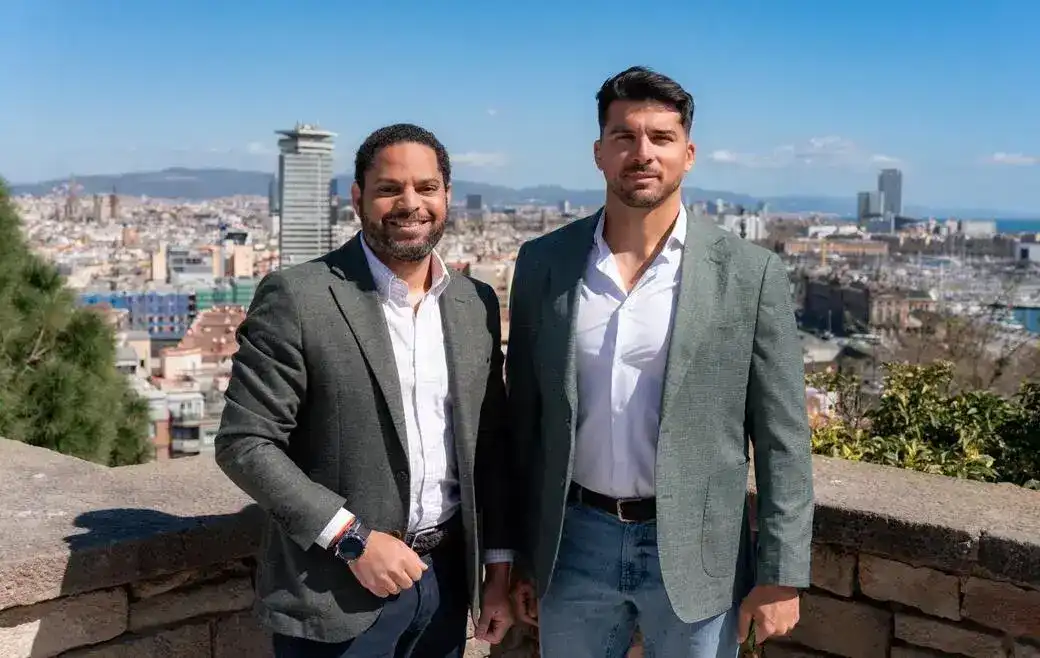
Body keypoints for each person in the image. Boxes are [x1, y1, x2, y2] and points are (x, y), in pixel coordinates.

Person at [504, 67, 814, 657]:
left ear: (689, 153)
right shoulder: (544, 263)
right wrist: (520, 553)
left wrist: (781, 573)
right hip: (573, 544)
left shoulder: (749, 274)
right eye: (624, 136)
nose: (641, 153)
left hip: (699, 550)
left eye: (661, 138)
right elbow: (527, 424)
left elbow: (784, 440)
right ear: (599, 152)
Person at [215, 123, 515, 658]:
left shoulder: (475, 304)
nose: (410, 203)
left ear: (447, 196)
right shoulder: (300, 297)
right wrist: (351, 538)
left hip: (446, 583)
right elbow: (245, 441)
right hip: (335, 591)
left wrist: (497, 568)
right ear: (357, 198)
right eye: (388, 189)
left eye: (426, 188)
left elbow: (489, 446)